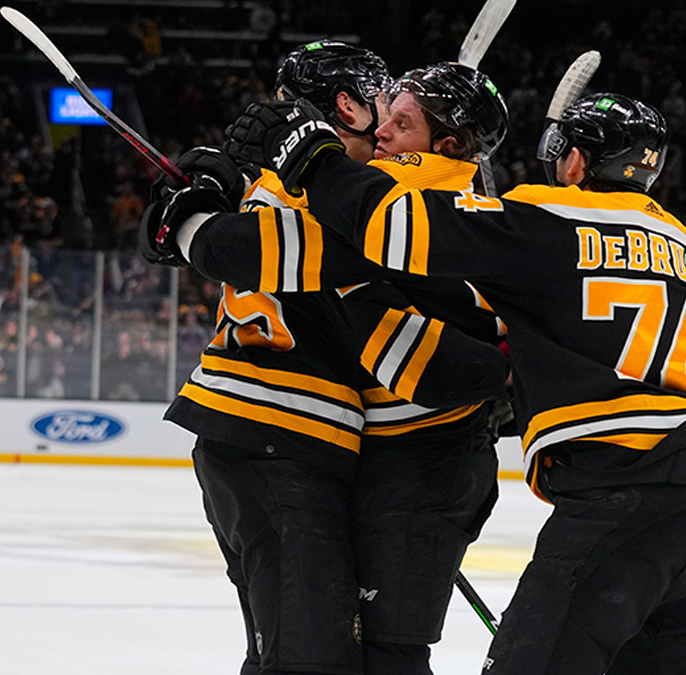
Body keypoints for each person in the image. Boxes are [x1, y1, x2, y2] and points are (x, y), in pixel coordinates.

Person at [157, 87, 686, 674]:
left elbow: (396, 229)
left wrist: (314, 156)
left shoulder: (542, 224)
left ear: (575, 164)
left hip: (622, 493)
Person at [139, 44, 508, 675]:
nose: (386, 129)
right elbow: (258, 249)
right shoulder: (353, 198)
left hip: (328, 443)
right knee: (318, 656)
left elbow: (226, 245)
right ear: (347, 105)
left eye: (403, 120)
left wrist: (190, 215)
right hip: (286, 433)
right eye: (381, 110)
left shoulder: (295, 185)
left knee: (311, 650)